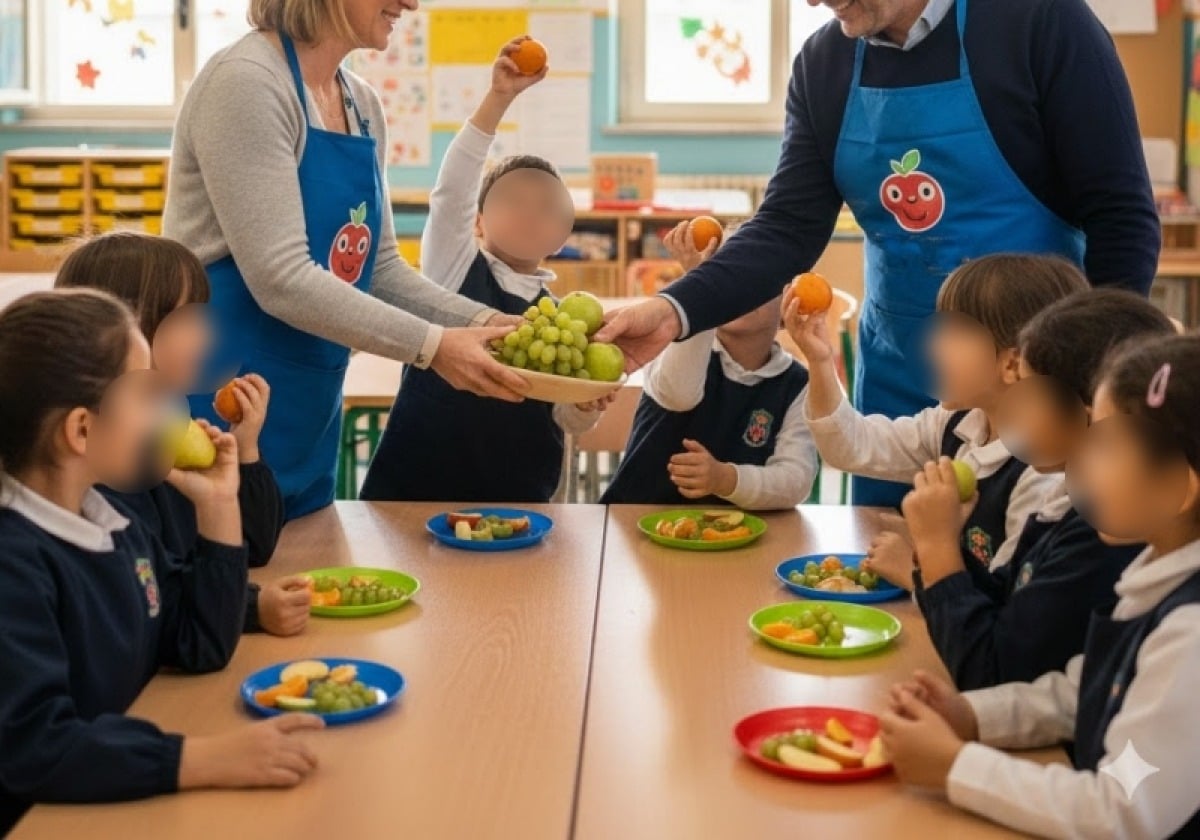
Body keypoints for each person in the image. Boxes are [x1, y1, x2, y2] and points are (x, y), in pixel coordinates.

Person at [594, 0, 1160, 508]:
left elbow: (1121, 217)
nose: (812, 1)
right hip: (899, 375)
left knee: (1019, 579)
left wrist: (1090, 380)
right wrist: (673, 311)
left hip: (1040, 386)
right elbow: (787, 227)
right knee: (884, 575)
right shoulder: (823, 64)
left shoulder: (1040, 21)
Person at [163, 0, 532, 519]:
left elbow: (377, 269)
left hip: (309, 404)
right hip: (221, 399)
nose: (411, 3)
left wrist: (485, 321)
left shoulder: (361, 104)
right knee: (223, 585)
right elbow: (281, 277)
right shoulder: (246, 83)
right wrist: (433, 347)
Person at [0, 291, 322, 835]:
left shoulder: (112, 524)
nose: (167, 413)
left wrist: (218, 506)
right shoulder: (15, 564)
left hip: (120, 803)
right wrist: (199, 759)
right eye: (147, 393)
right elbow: (35, 745)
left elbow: (198, 642)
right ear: (81, 430)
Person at [878, 332, 1200, 839]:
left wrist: (956, 766)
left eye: (1107, 445)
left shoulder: (1191, 632)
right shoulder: (1156, 570)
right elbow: (1080, 691)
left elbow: (1122, 810)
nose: (1084, 462)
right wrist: (972, 716)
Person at [360, 38, 602, 503]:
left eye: (548, 206)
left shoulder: (564, 321)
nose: (531, 213)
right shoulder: (451, 269)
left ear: (564, 234)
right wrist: (499, 99)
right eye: (513, 200)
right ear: (476, 220)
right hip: (418, 491)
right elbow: (453, 190)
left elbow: (567, 422)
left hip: (517, 499)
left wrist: (587, 406)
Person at [898, 290, 1174, 689]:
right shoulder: (1063, 505)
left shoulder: (1102, 536)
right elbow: (1005, 606)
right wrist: (941, 547)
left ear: (1087, 417)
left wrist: (938, 549)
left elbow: (991, 671)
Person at [54, 232, 309, 638]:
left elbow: (253, 546)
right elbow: (156, 596)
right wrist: (252, 609)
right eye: (188, 320)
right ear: (130, 330)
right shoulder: (105, 470)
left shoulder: (170, 427)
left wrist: (244, 448)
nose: (206, 337)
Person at [788, 254, 1078, 577]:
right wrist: (820, 362)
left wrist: (918, 569)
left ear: (1011, 364)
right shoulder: (958, 423)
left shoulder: (1041, 476)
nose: (934, 346)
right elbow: (852, 446)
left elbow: (1006, 613)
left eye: (956, 331)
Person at [601, 220, 817, 508]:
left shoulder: (797, 385)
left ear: (790, 303)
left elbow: (795, 480)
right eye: (724, 273)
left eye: (756, 277)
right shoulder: (677, 345)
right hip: (635, 525)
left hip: (737, 539)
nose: (737, 287)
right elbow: (679, 394)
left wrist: (725, 479)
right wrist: (700, 298)